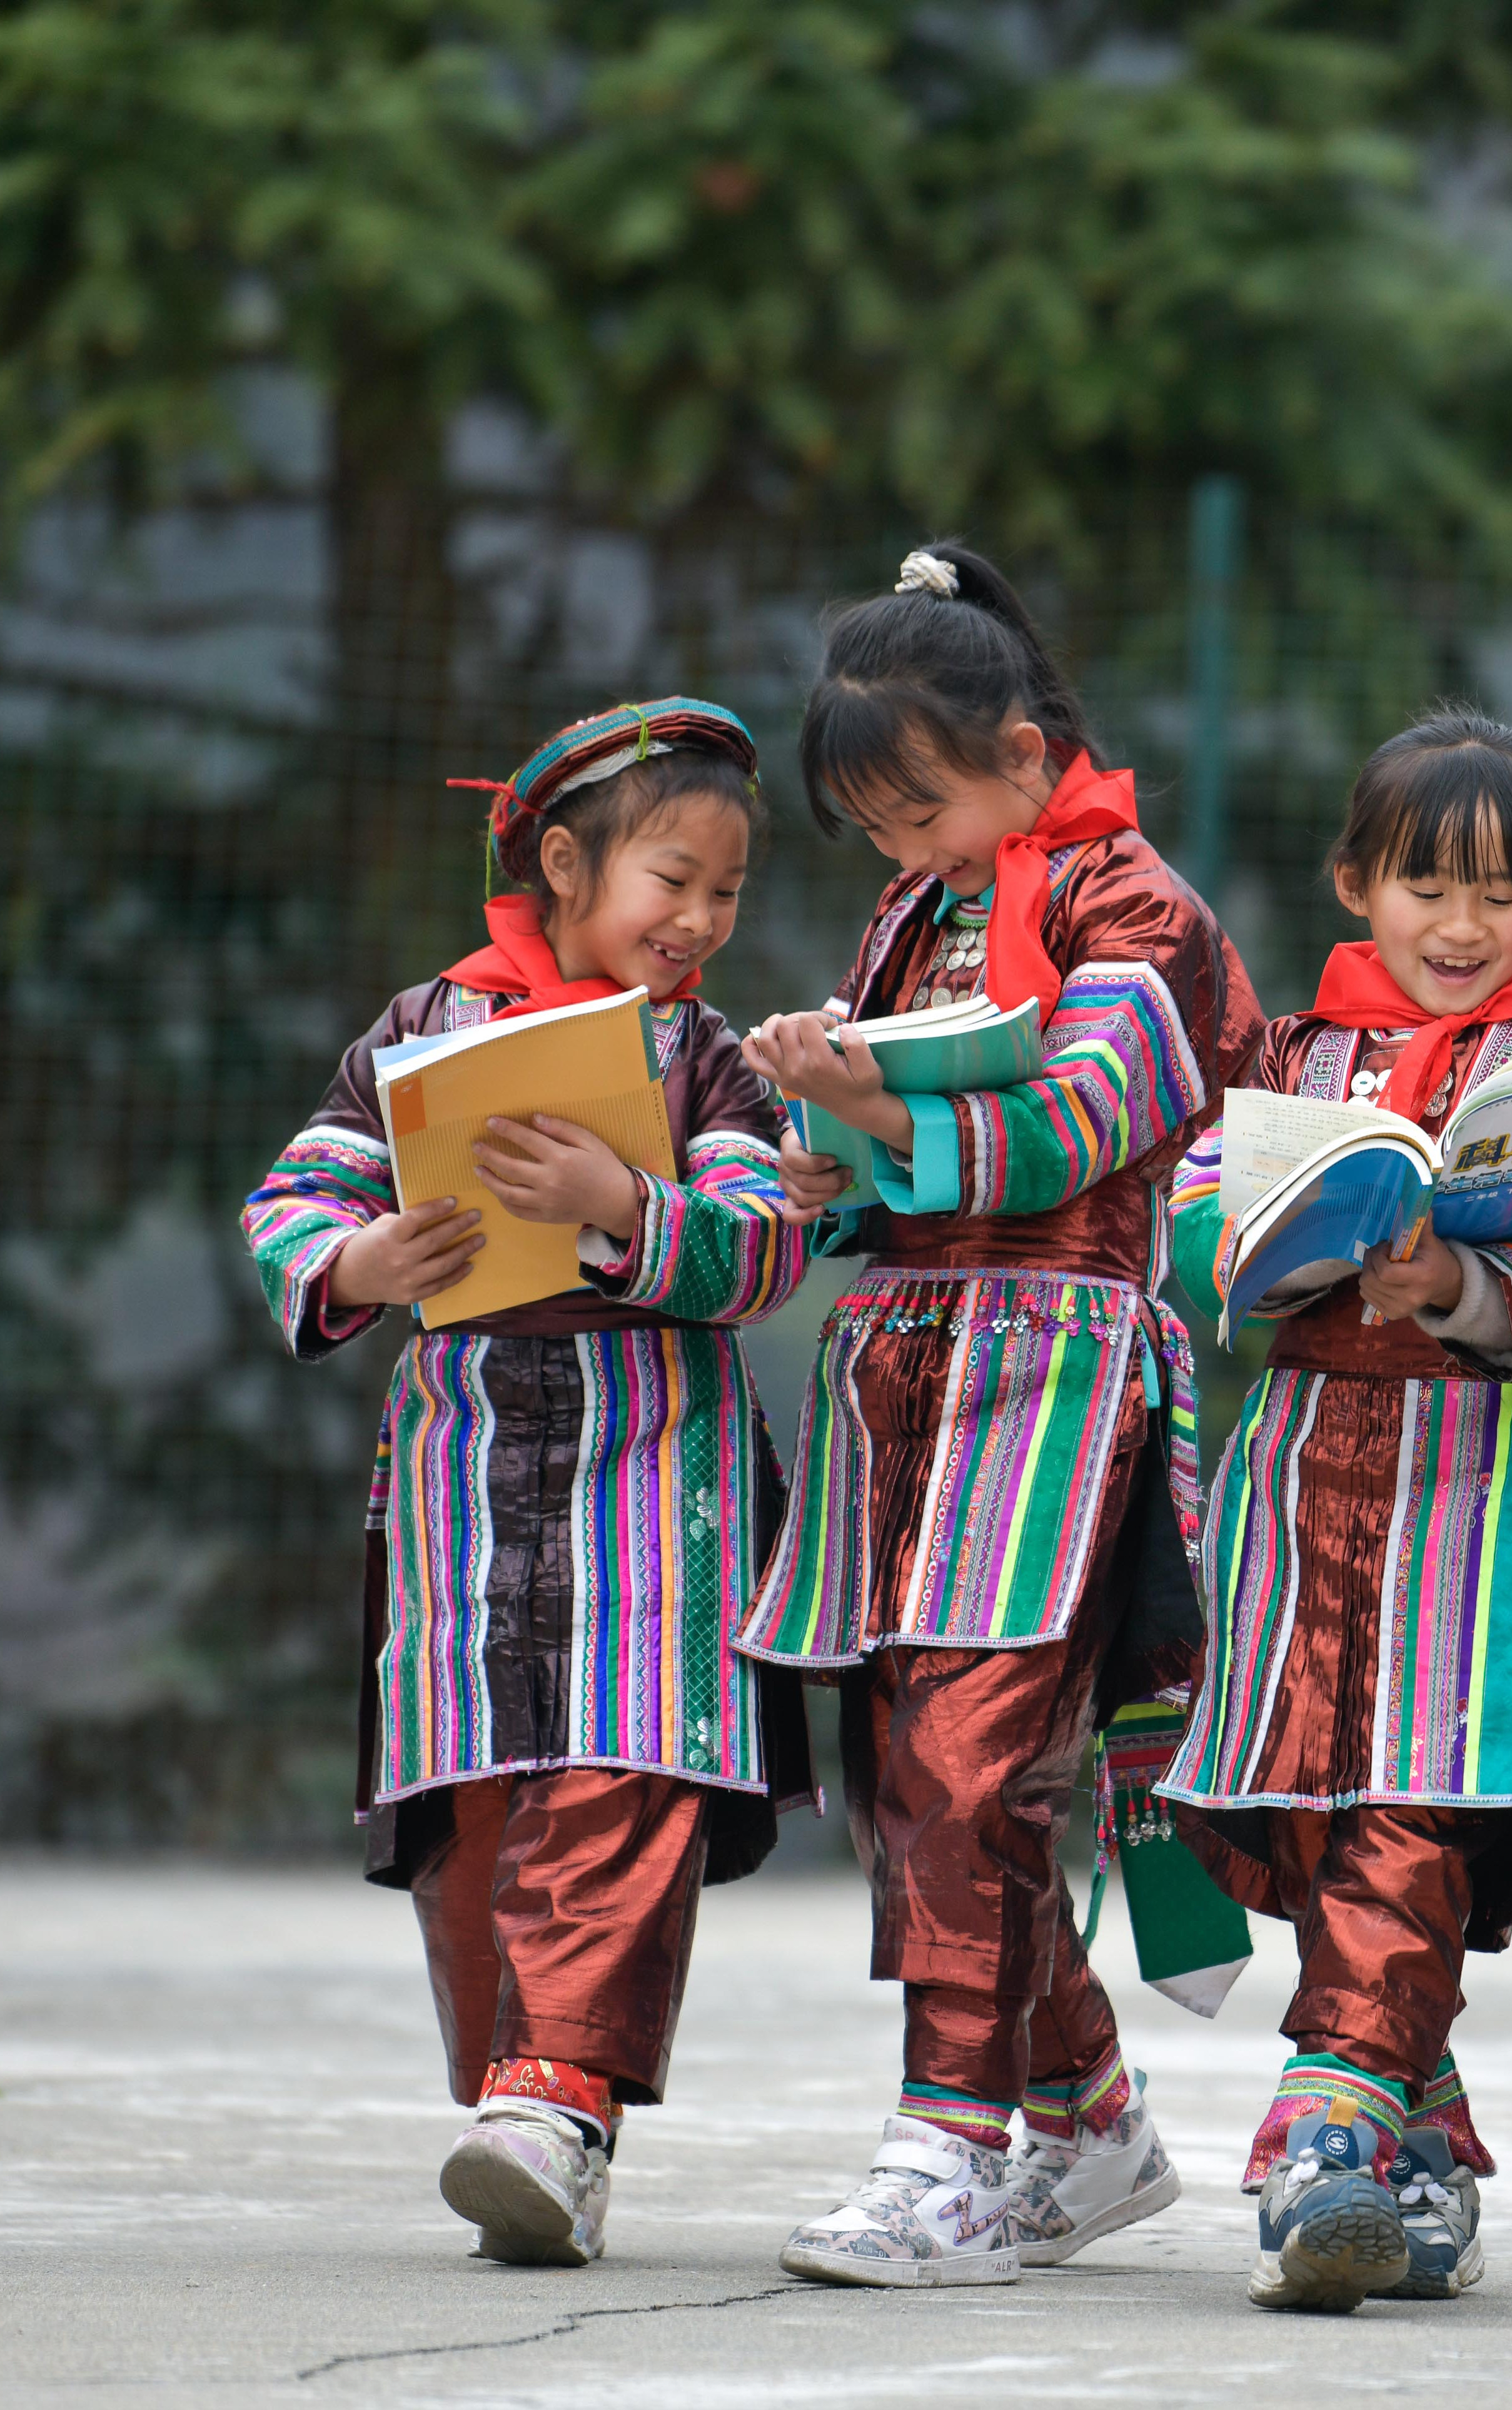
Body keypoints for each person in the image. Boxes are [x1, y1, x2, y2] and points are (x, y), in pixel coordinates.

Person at [734, 543, 1259, 2289]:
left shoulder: (1139, 909)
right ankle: (1087, 2118)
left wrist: (880, 1112)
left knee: (971, 1768)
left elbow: (1085, 1127)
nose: (906, 851)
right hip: (901, 1374)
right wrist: (820, 1150)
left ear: (1024, 756)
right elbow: (882, 1153)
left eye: (924, 809)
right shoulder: (922, 912)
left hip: (1053, 1376)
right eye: (875, 828)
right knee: (910, 1779)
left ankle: (947, 2154)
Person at [239, 698, 813, 2268]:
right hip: (466, 1465)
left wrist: (626, 1200)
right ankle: (522, 2104)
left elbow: (766, 1246)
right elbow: (296, 1197)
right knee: (481, 1791)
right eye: (673, 880)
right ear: (564, 864)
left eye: (728, 891)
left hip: (657, 1468)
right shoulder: (421, 1029)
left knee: (624, 1769)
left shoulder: (711, 1062)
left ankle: (561, 2103)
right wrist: (364, 1258)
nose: (701, 920)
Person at [1157, 708, 1512, 2314]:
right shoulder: (1288, 1061)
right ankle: (1424, 2155)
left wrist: (1456, 1282)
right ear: (1355, 882)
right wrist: (1277, 1242)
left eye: (1501, 893)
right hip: (1300, 1482)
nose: (1461, 924)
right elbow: (1197, 1230)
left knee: (1413, 1810)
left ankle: (1323, 2144)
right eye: (1427, 885)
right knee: (1307, 1810)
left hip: (1483, 1502)